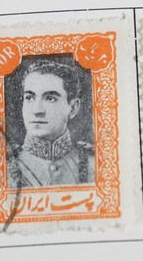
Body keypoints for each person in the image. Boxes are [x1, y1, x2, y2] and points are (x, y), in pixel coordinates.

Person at [8, 60, 95, 188]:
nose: (37, 110)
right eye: (29, 98)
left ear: (73, 108)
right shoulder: (3, 165)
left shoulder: (93, 163)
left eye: (50, 98)